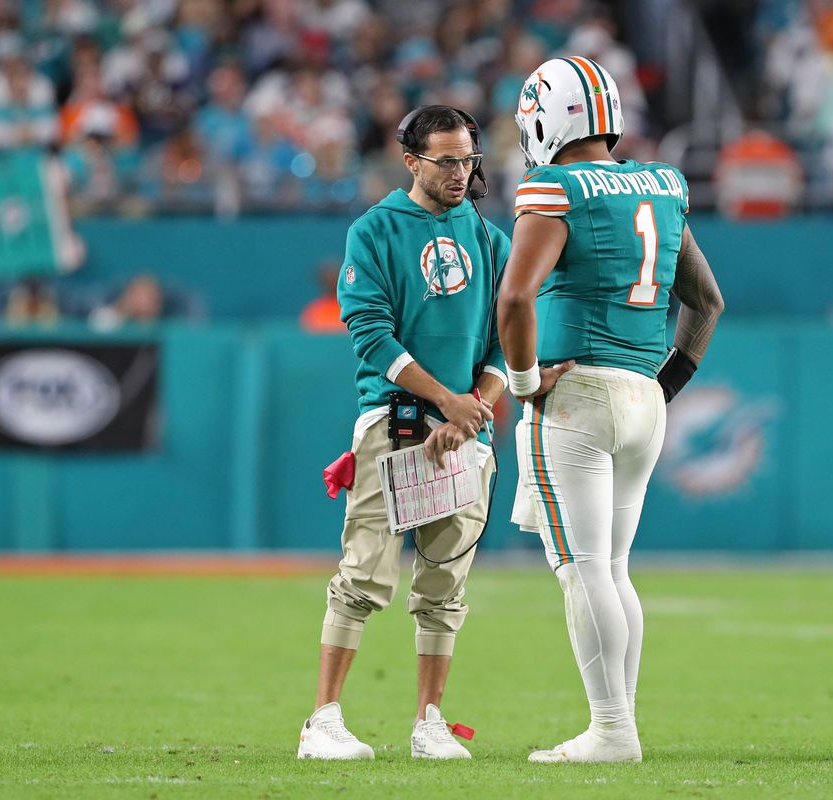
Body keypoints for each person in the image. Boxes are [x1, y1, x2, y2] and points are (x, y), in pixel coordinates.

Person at [499, 57, 724, 763]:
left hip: (578, 397)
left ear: (546, 116)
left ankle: (612, 730)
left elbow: (513, 298)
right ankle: (617, 725)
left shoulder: (555, 186)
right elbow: (706, 301)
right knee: (613, 567)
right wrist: (667, 382)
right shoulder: (662, 183)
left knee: (583, 568)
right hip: (642, 395)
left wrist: (523, 380)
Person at [298, 105, 510, 761]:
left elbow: (505, 349)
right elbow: (369, 331)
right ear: (411, 161)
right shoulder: (376, 230)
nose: (459, 171)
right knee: (363, 576)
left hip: (461, 432)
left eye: (467, 159)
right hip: (394, 421)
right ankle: (322, 721)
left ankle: (429, 722)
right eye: (445, 159)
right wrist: (449, 401)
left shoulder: (492, 240)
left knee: (445, 587)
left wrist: (475, 407)